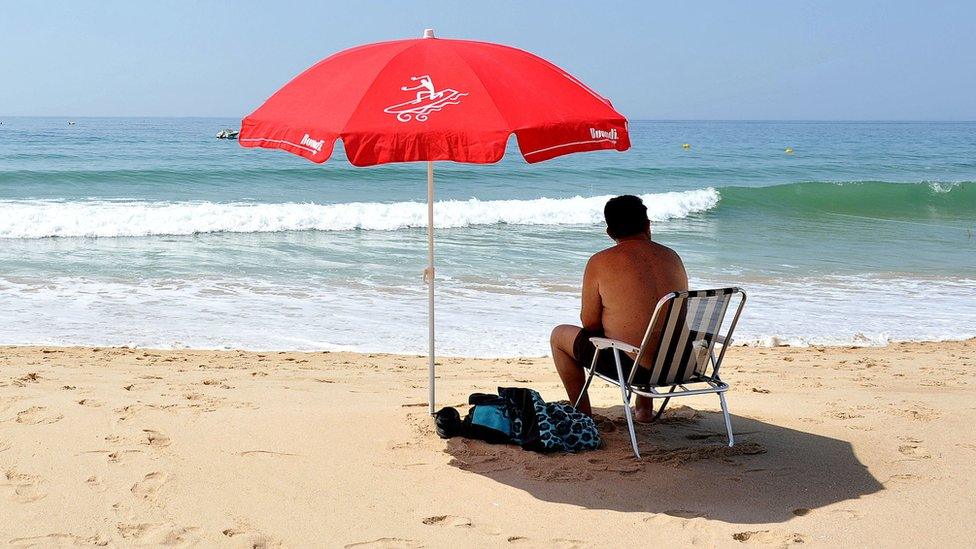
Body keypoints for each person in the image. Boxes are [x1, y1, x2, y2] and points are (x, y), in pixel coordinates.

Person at [550, 195, 688, 423]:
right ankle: (644, 409)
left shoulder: (599, 262)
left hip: (634, 369)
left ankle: (583, 416)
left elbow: (590, 324)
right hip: (678, 363)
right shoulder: (672, 256)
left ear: (609, 232)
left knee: (558, 336)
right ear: (647, 225)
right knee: (650, 329)